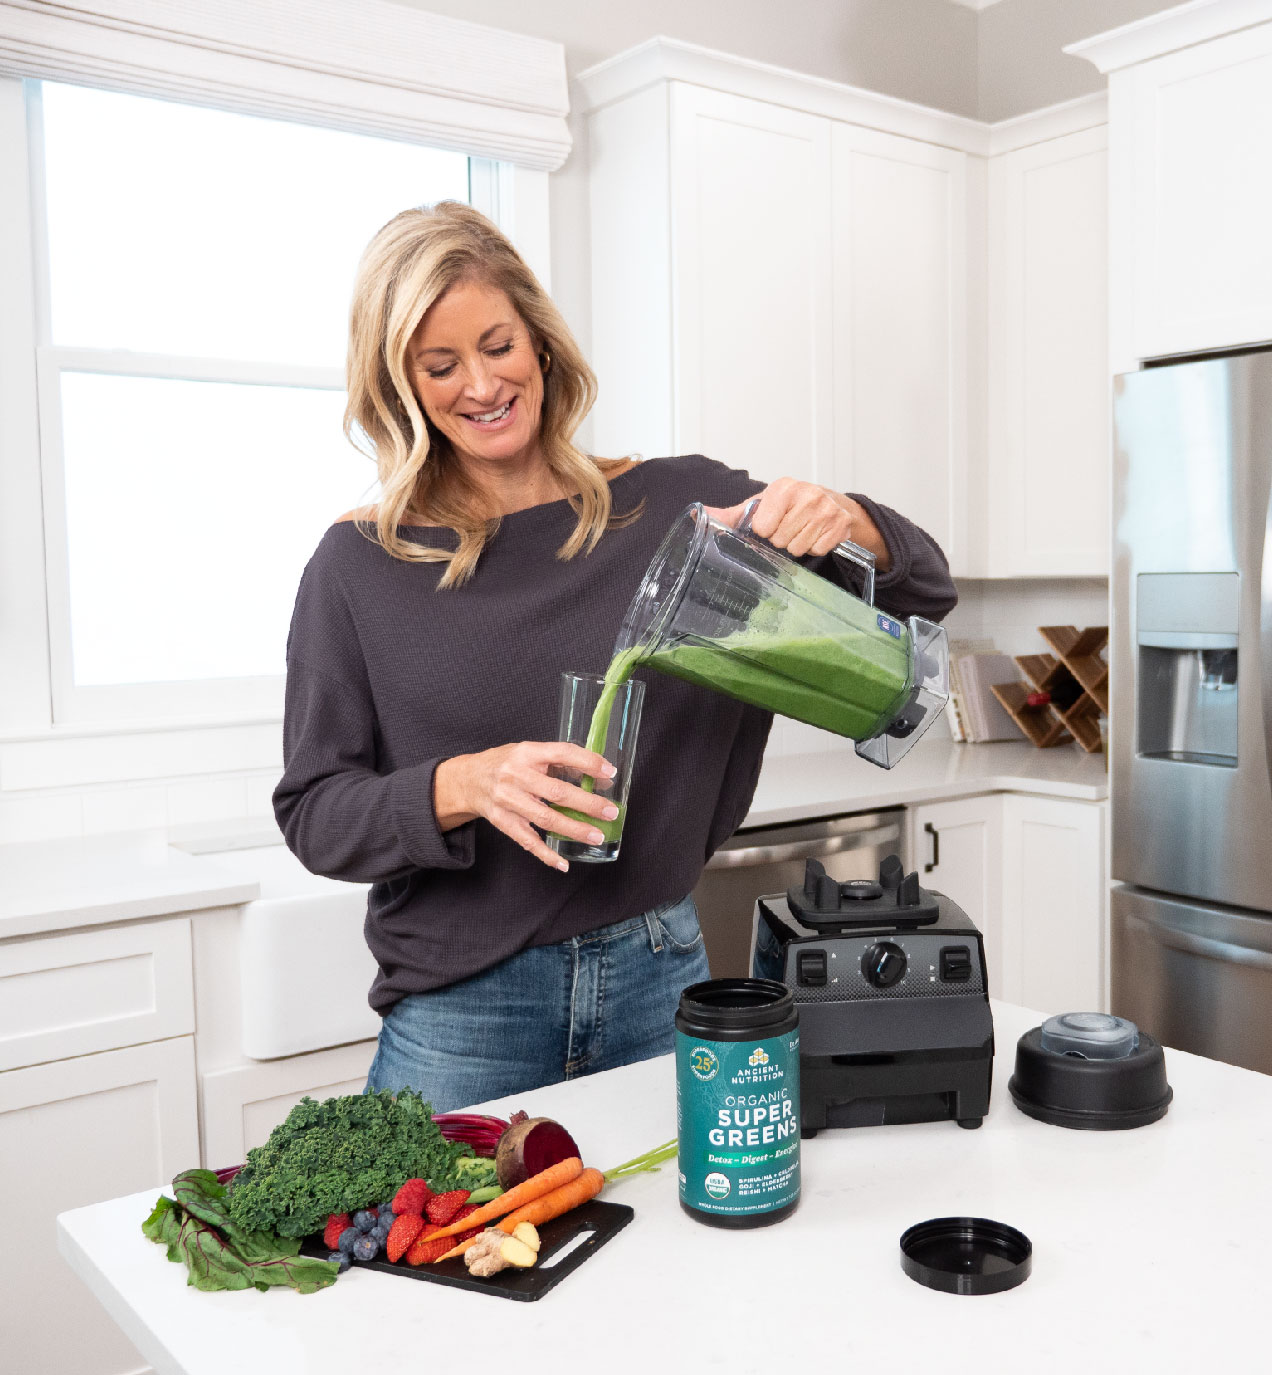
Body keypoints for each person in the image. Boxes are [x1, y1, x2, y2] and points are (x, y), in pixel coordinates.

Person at [274, 200, 957, 1113]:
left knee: (678, 1250)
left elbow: (925, 588)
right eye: (439, 365)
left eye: (497, 344)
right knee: (424, 1254)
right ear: (399, 384)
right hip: (464, 1014)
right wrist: (464, 785)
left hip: (659, 972)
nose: (480, 383)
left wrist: (854, 519)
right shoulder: (361, 566)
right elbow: (316, 813)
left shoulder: (684, 509)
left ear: (541, 344)